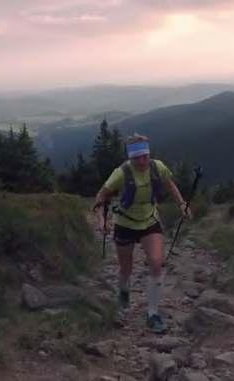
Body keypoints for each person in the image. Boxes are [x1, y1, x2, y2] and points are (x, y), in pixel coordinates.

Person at [91, 134, 191, 334]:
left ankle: (152, 313)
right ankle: (124, 293)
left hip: (149, 221)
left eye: (145, 156)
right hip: (124, 223)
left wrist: (182, 204)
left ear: (149, 153)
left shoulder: (158, 167)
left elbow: (170, 184)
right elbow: (101, 195)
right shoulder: (121, 173)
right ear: (130, 158)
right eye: (137, 158)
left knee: (156, 262)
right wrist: (101, 220)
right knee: (126, 268)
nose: (142, 161)